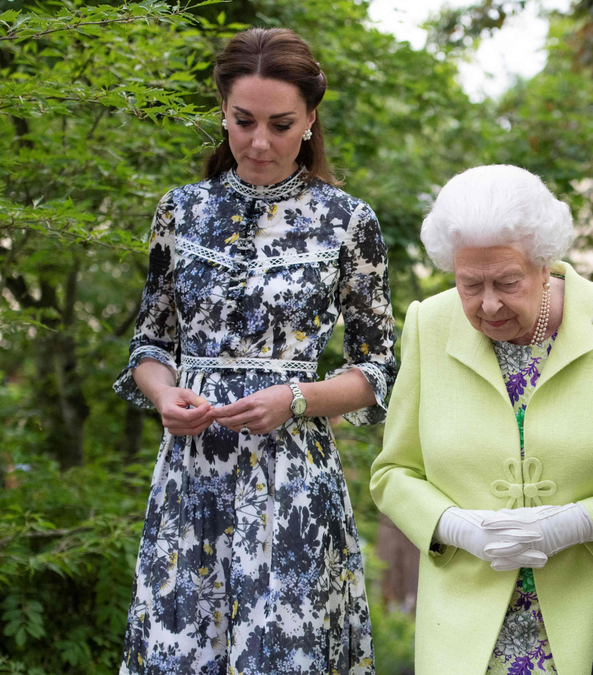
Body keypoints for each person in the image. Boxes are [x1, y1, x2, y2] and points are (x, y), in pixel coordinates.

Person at [112, 27, 394, 675]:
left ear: (311, 119)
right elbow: (150, 346)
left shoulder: (348, 221)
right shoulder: (179, 213)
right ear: (223, 114)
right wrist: (163, 395)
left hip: (292, 481)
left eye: (280, 123)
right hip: (192, 480)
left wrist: (297, 398)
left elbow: (378, 369)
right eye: (243, 122)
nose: (259, 141)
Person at [371, 165, 593, 675]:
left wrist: (575, 524)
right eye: (469, 284)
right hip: (464, 636)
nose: (489, 303)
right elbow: (394, 474)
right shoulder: (428, 324)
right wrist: (455, 527)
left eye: (507, 281)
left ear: (545, 264)